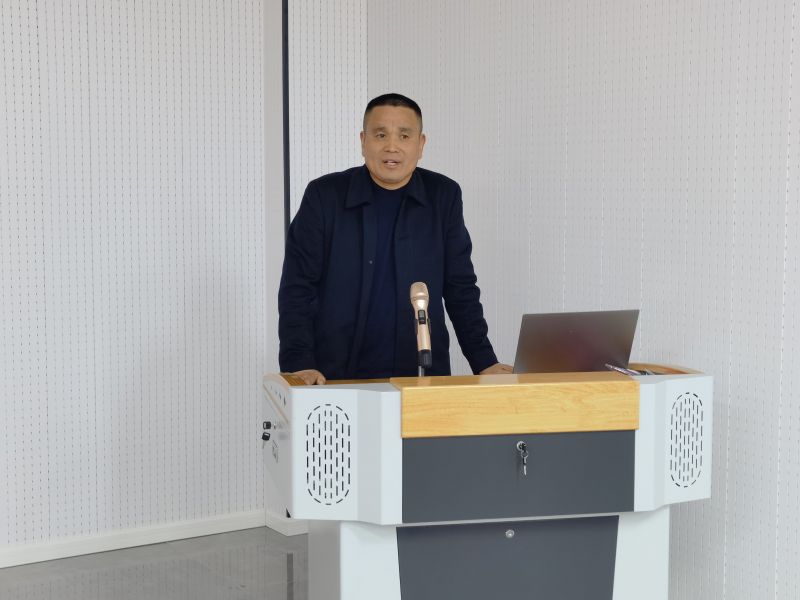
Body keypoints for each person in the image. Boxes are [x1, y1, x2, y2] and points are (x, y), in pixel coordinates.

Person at [278, 93, 512, 384]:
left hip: (421, 374)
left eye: (404, 136)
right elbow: (298, 288)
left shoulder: (443, 196)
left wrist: (484, 361)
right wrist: (299, 364)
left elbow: (460, 288)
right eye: (380, 135)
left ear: (420, 144)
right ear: (363, 141)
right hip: (337, 375)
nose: (392, 146)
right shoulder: (325, 196)